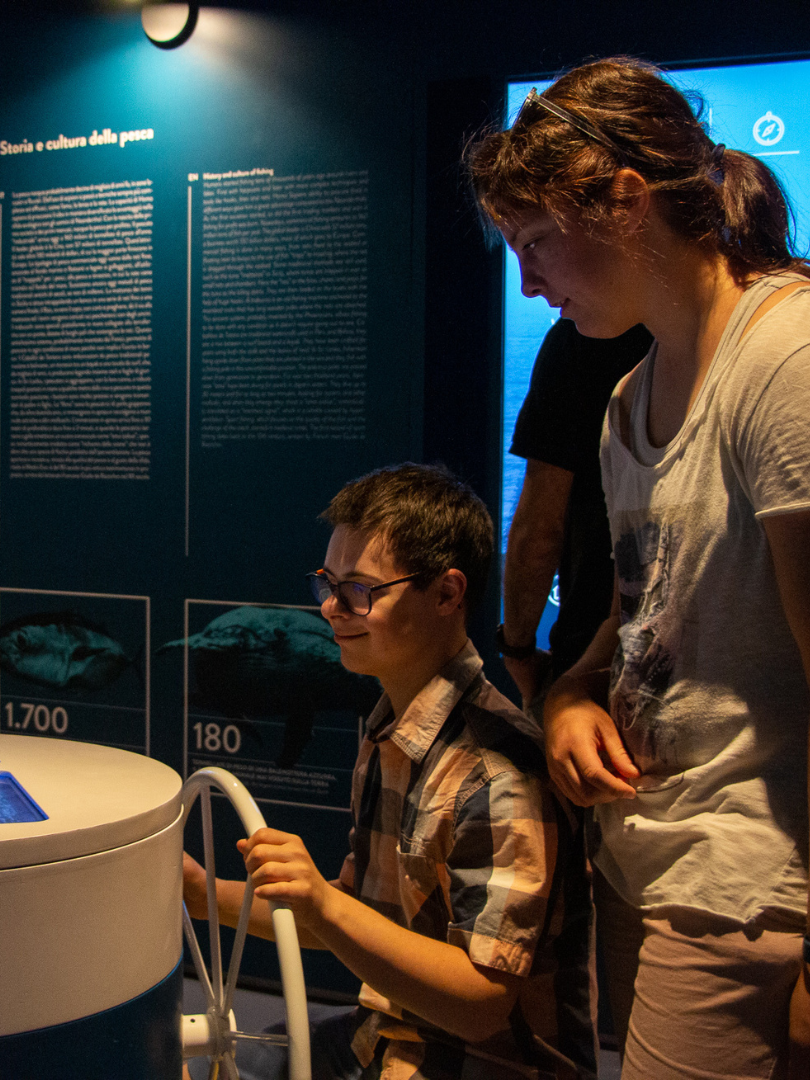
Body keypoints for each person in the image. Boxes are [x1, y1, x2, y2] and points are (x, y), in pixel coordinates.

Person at [468, 57, 810, 1080]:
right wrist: (573, 697)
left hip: (752, 877)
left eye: (536, 242)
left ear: (623, 202)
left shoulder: (784, 363)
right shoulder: (629, 401)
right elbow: (645, 617)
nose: (529, 280)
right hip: (660, 853)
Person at [184, 463, 596, 1080]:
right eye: (326, 582)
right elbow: (354, 919)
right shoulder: (389, 733)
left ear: (448, 594)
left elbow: (482, 1003)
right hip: (383, 1037)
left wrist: (324, 903)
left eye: (359, 590)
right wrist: (194, 891)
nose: (329, 608)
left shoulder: (497, 775)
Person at [500, 319, 653, 710]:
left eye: (533, 252)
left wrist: (517, 648)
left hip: (591, 669)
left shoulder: (582, 339)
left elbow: (538, 529)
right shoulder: (701, 341)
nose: (529, 284)